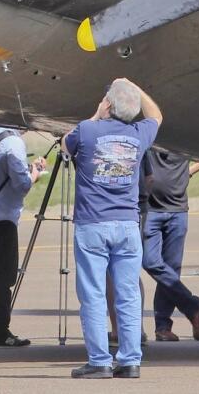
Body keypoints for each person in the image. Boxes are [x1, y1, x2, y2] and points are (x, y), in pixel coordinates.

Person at [64, 78, 161, 380]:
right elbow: (156, 115)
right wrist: (135, 88)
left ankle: (99, 360)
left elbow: (66, 145)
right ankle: (131, 360)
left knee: (93, 294)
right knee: (128, 294)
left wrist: (96, 114)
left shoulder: (88, 129)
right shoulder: (138, 133)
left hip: (93, 224)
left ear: (107, 104)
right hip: (128, 224)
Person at [0, 126, 46, 349]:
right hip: (1, 219)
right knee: (3, 279)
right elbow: (21, 185)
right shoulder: (14, 143)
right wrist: (36, 173)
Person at [141, 148, 199, 342]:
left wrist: (189, 172)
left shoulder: (184, 137)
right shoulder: (152, 133)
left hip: (178, 210)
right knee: (150, 262)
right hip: (151, 209)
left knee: (171, 268)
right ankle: (192, 305)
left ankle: (162, 326)